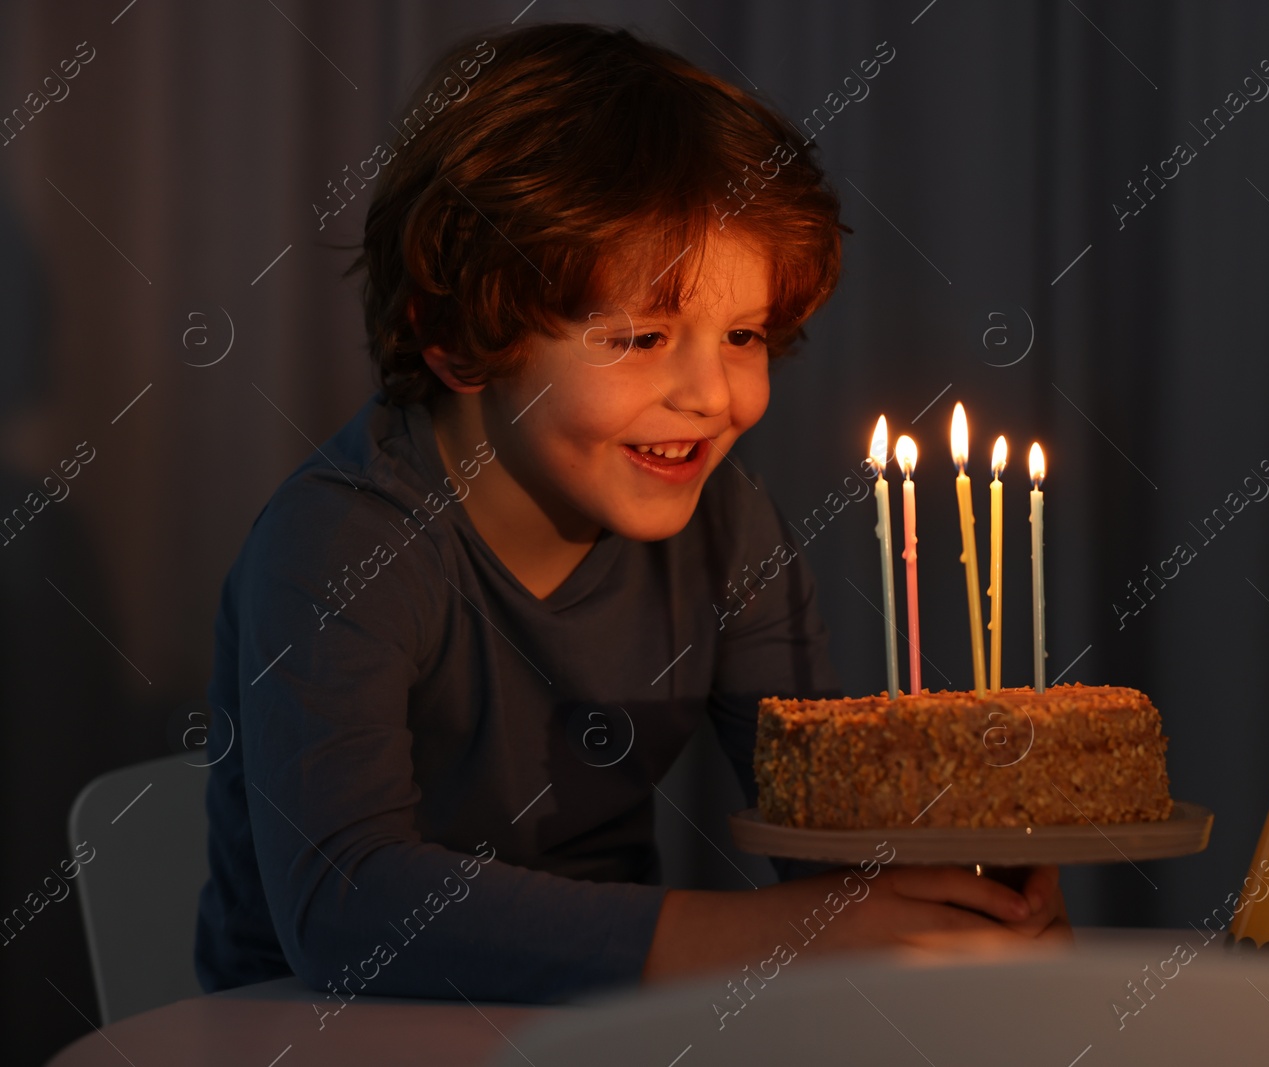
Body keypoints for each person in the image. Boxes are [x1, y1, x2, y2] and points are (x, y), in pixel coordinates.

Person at [194, 21, 1069, 1009]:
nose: (711, 392)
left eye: (743, 334)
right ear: (454, 336)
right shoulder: (340, 541)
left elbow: (818, 820)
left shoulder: (728, 529)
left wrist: (943, 898)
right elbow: (343, 907)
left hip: (600, 1026)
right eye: (642, 335)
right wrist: (785, 933)